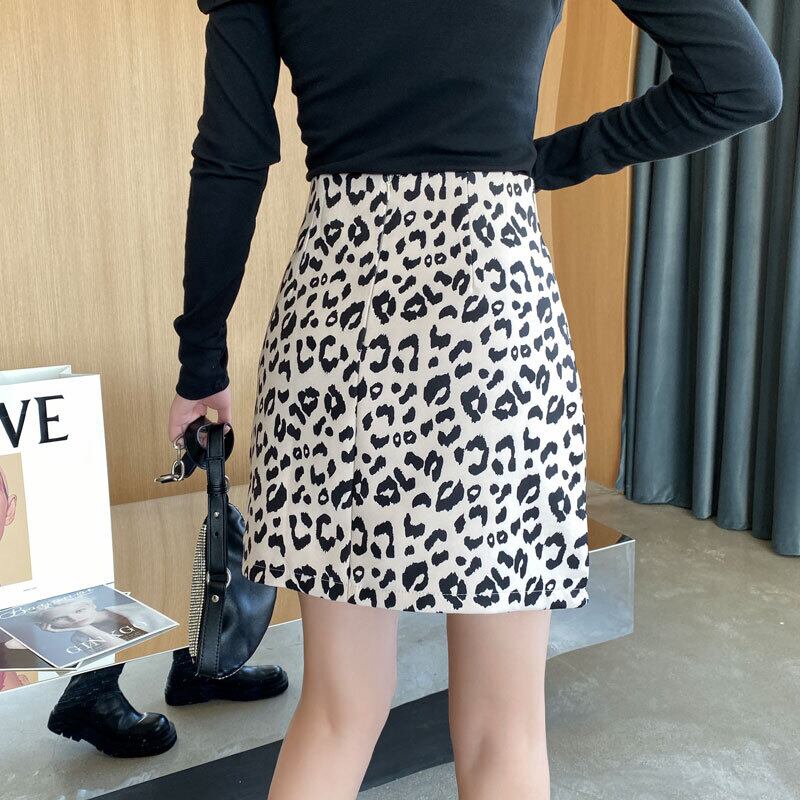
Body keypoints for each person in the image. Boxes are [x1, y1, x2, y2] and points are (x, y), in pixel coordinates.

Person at [167, 1, 782, 797]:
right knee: (504, 726)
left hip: (336, 330)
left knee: (337, 710)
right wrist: (538, 161)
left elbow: (232, 156)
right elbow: (740, 84)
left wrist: (200, 363)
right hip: (492, 324)